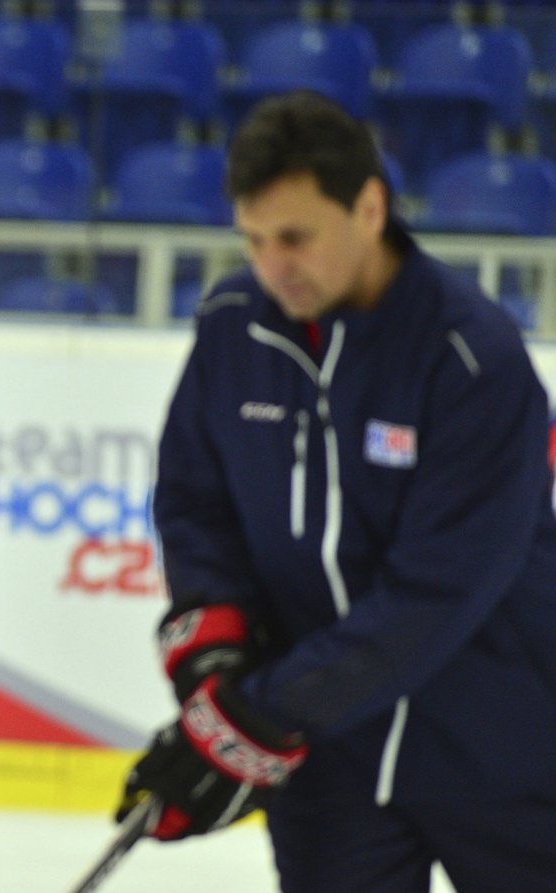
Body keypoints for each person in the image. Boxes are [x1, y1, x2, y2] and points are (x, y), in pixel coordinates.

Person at [118, 90, 556, 892]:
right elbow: (193, 498)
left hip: (500, 744)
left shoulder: (472, 359)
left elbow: (439, 590)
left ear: (370, 206)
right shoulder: (233, 327)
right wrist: (215, 652)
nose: (272, 265)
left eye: (295, 237)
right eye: (252, 239)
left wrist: (258, 714)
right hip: (328, 761)